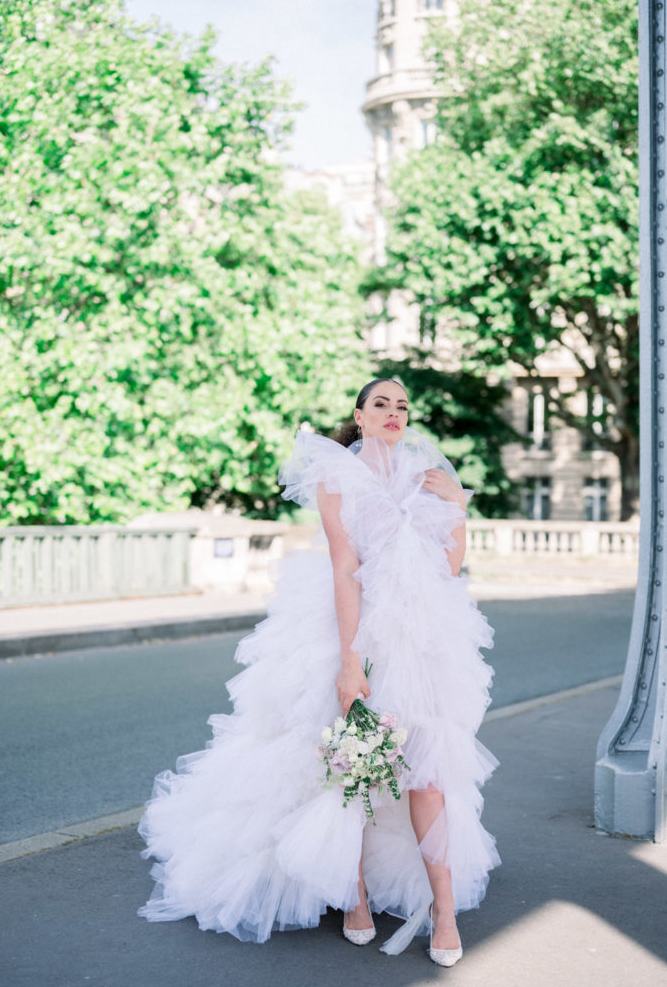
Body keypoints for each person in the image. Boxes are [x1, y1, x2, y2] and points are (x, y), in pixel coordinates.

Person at [137, 377, 500, 966]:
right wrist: (350, 662)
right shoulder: (339, 476)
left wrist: (459, 507)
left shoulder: (432, 475)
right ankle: (352, 892)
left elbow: (449, 565)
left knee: (427, 774)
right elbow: (344, 567)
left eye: (402, 406)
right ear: (359, 416)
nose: (393, 413)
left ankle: (445, 910)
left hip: (422, 637)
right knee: (352, 767)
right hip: (352, 630)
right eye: (381, 403)